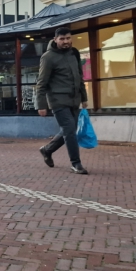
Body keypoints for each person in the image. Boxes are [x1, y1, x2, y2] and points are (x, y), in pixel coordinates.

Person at [36, 27, 89, 174]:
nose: (65, 41)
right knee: (70, 131)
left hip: (74, 100)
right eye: (62, 39)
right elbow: (41, 82)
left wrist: (84, 97)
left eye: (68, 38)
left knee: (69, 130)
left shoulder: (74, 53)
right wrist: (41, 104)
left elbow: (79, 77)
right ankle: (76, 164)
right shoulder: (48, 57)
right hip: (57, 100)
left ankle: (47, 150)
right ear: (55, 40)